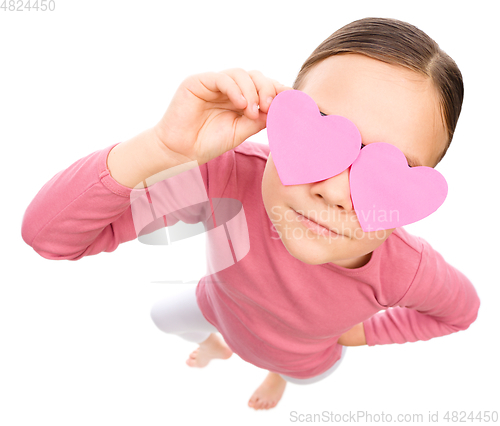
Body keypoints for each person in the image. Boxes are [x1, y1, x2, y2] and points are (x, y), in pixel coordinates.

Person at [21, 17, 480, 411]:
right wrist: (160, 147)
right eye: (319, 137)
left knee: (297, 374)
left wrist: (357, 336)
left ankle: (275, 374)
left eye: (390, 172)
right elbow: (51, 237)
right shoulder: (225, 177)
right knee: (163, 317)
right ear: (279, 120)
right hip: (218, 307)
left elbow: (460, 313)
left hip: (304, 358)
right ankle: (224, 345)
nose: (335, 192)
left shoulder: (410, 270)